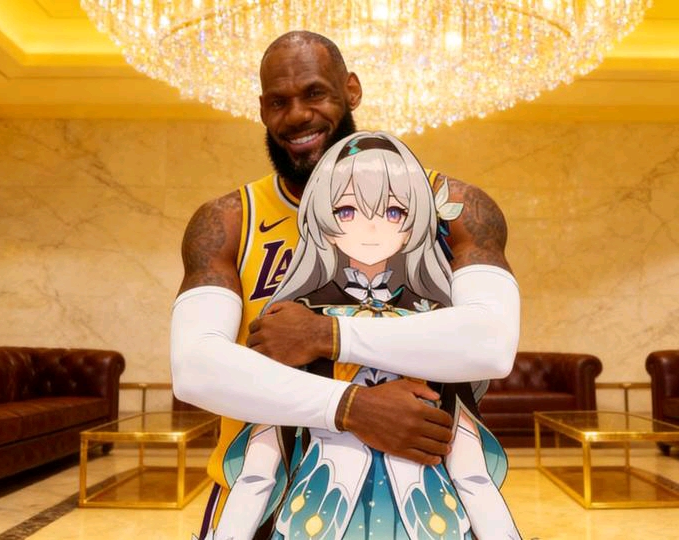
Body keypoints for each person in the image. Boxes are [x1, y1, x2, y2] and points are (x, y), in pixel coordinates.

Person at [169, 31, 520, 539]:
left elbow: (492, 344)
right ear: (262, 109)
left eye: (315, 93)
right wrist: (349, 408)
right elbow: (195, 368)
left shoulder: (454, 207)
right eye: (278, 102)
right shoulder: (228, 220)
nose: (297, 115)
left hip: (427, 503)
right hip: (265, 504)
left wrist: (327, 336)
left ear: (351, 90)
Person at [216, 131, 520, 539]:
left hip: (426, 512)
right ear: (321, 221)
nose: (371, 226)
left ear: (416, 223)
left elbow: (471, 470)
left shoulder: (439, 324)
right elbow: (260, 466)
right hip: (319, 510)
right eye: (345, 210)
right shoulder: (292, 324)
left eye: (394, 212)